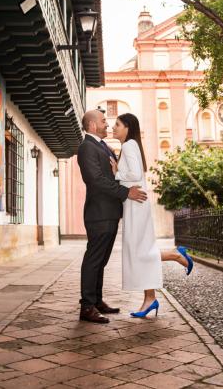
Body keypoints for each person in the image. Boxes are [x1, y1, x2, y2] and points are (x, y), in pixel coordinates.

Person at [111, 113, 193, 318]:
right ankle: (150, 298)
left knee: (139, 252)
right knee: (139, 251)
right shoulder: (129, 146)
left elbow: (136, 174)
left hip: (136, 204)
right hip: (134, 204)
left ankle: (176, 255)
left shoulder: (129, 145)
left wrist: (116, 173)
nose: (114, 128)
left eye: (117, 125)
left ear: (127, 127)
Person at [77, 109, 148, 324]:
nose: (107, 124)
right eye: (102, 121)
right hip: (98, 213)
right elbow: (96, 180)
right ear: (91, 126)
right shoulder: (86, 147)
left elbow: (114, 175)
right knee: (94, 260)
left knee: (101, 260)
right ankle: (87, 306)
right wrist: (127, 193)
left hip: (110, 212)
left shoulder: (102, 145)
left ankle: (97, 301)